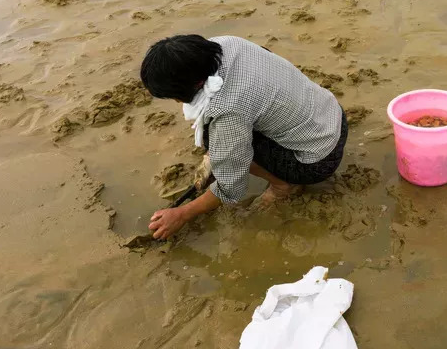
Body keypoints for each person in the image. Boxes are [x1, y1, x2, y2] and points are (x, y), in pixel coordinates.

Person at [140, 35, 349, 240]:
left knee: (219, 140)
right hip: (333, 116)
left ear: (192, 86)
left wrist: (182, 214)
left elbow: (231, 187)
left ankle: (282, 185)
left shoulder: (226, 111)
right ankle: (222, 154)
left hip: (318, 160)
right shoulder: (226, 43)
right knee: (224, 136)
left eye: (173, 96)